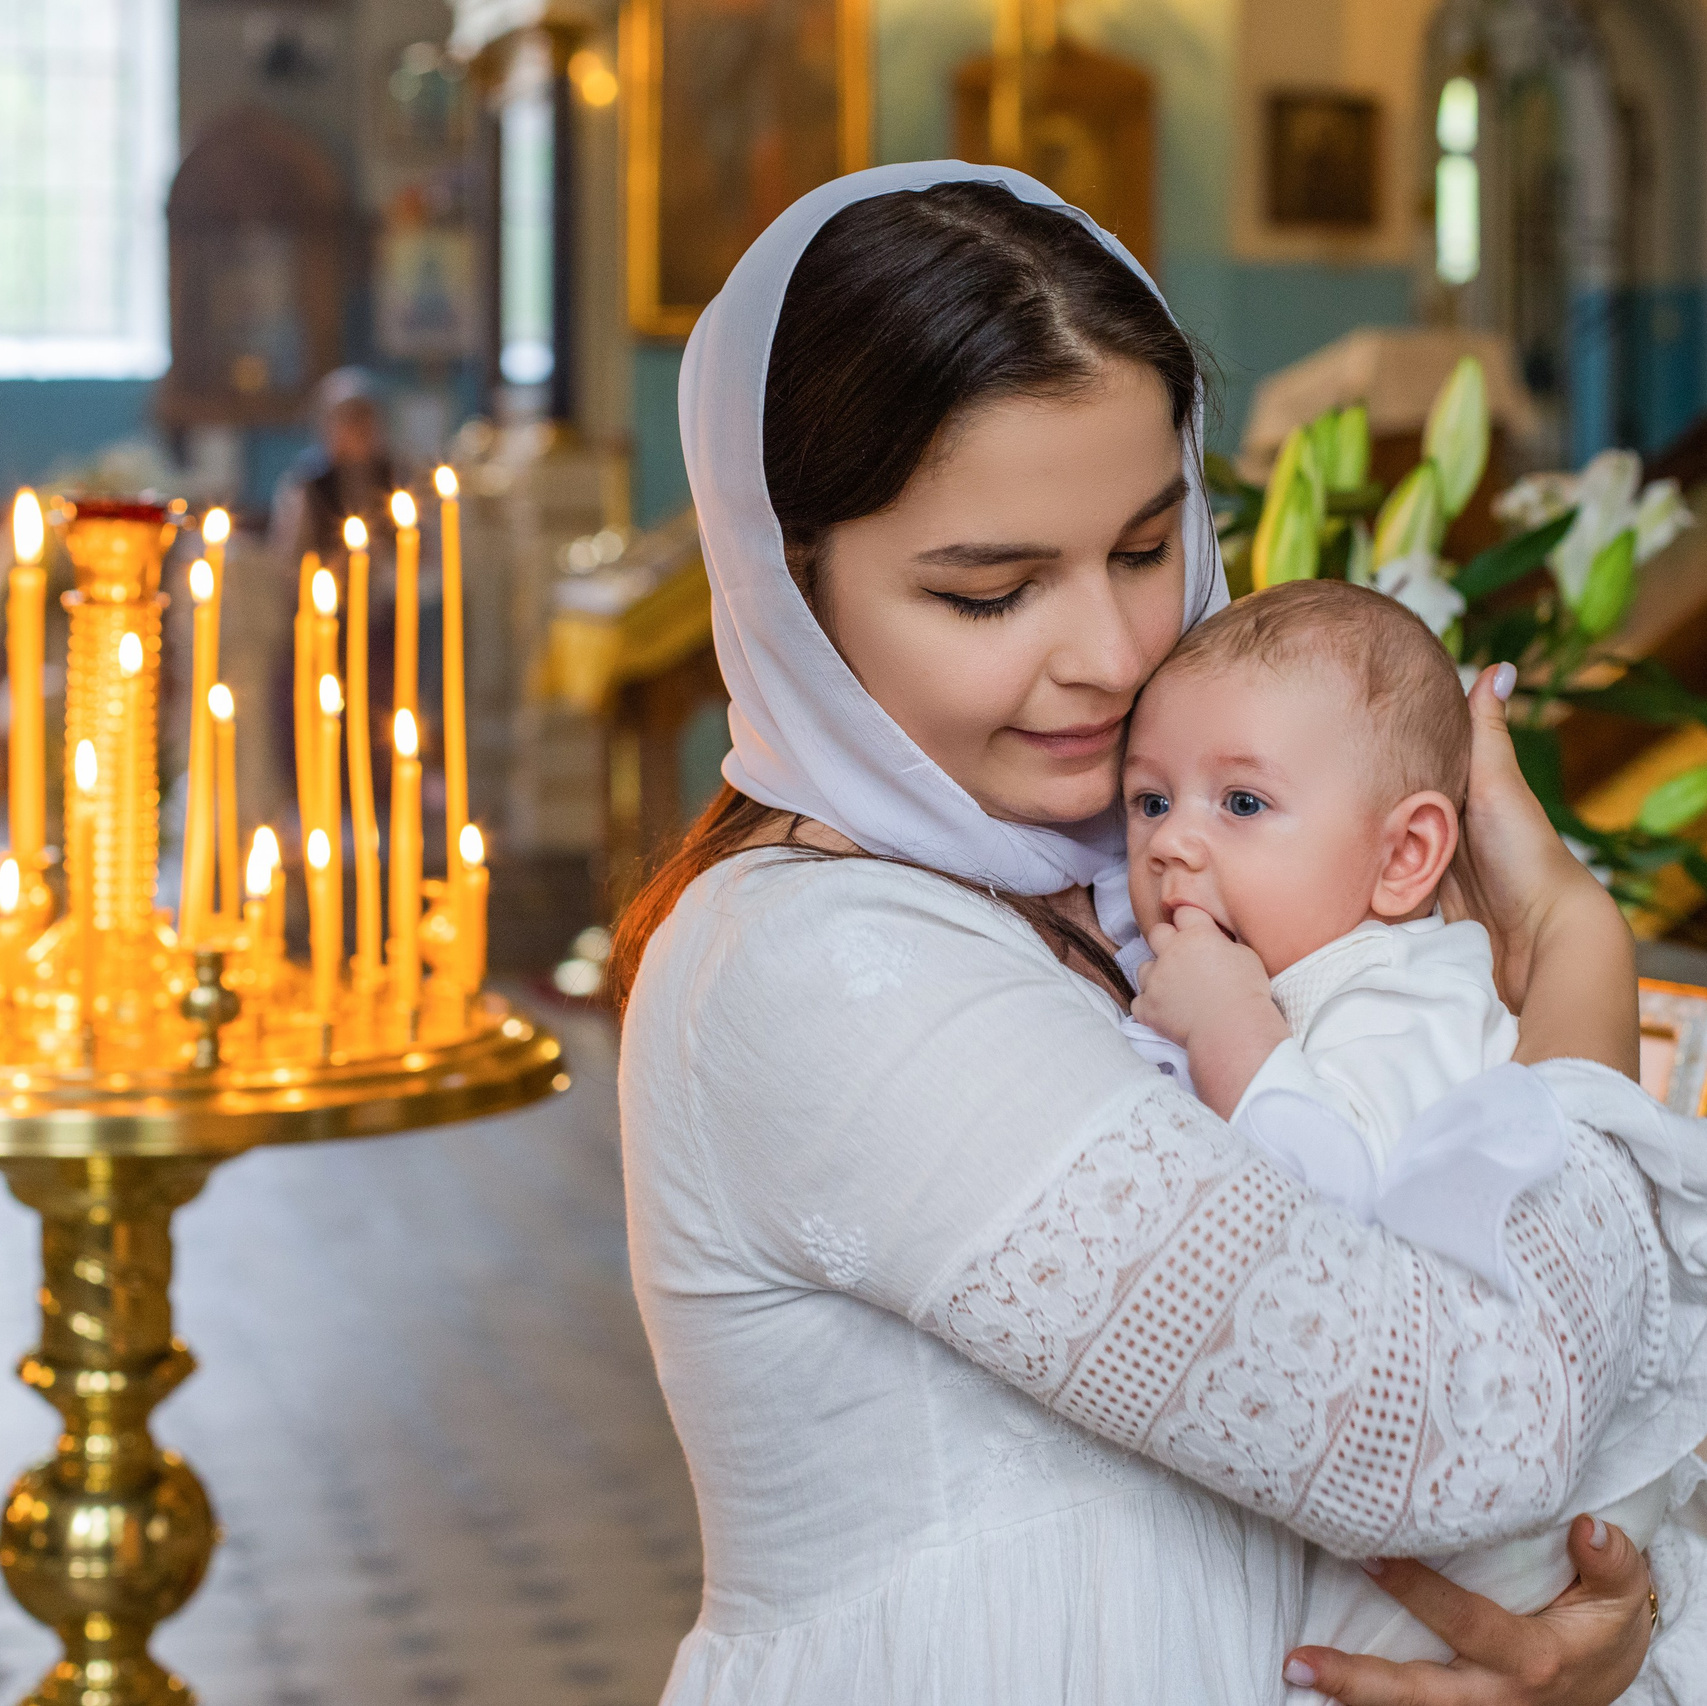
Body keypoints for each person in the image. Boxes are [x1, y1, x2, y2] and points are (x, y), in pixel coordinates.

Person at [612, 162, 1699, 1704]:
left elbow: (1505, 1448)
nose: (1116, 654)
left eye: (1140, 546)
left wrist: (1586, 1621)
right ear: (790, 590)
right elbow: (1470, 1431)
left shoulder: (1147, 877)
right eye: (990, 592)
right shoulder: (821, 972)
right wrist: (1571, 954)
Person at [1118, 577, 1707, 1694]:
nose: (1171, 846)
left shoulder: (1397, 999)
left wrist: (1234, 1032)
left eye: (1240, 804)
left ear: (1404, 856)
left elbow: (1338, 1221)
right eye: (1150, 801)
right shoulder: (1316, 975)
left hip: (1489, 1509)